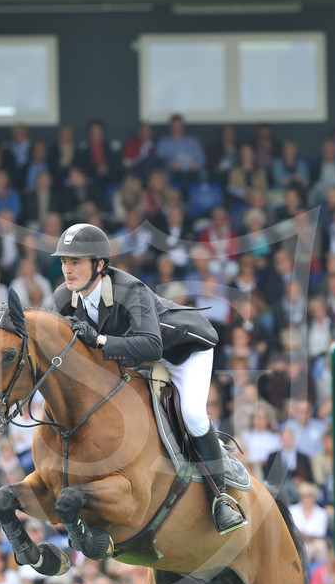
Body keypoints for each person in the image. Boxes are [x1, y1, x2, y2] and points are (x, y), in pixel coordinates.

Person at [51, 223, 246, 534]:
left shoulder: (131, 290)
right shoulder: (64, 297)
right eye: (63, 261)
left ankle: (220, 499)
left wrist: (100, 341)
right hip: (133, 358)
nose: (67, 269)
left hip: (181, 352)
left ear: (99, 265)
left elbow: (153, 345)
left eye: (75, 262)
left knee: (193, 415)